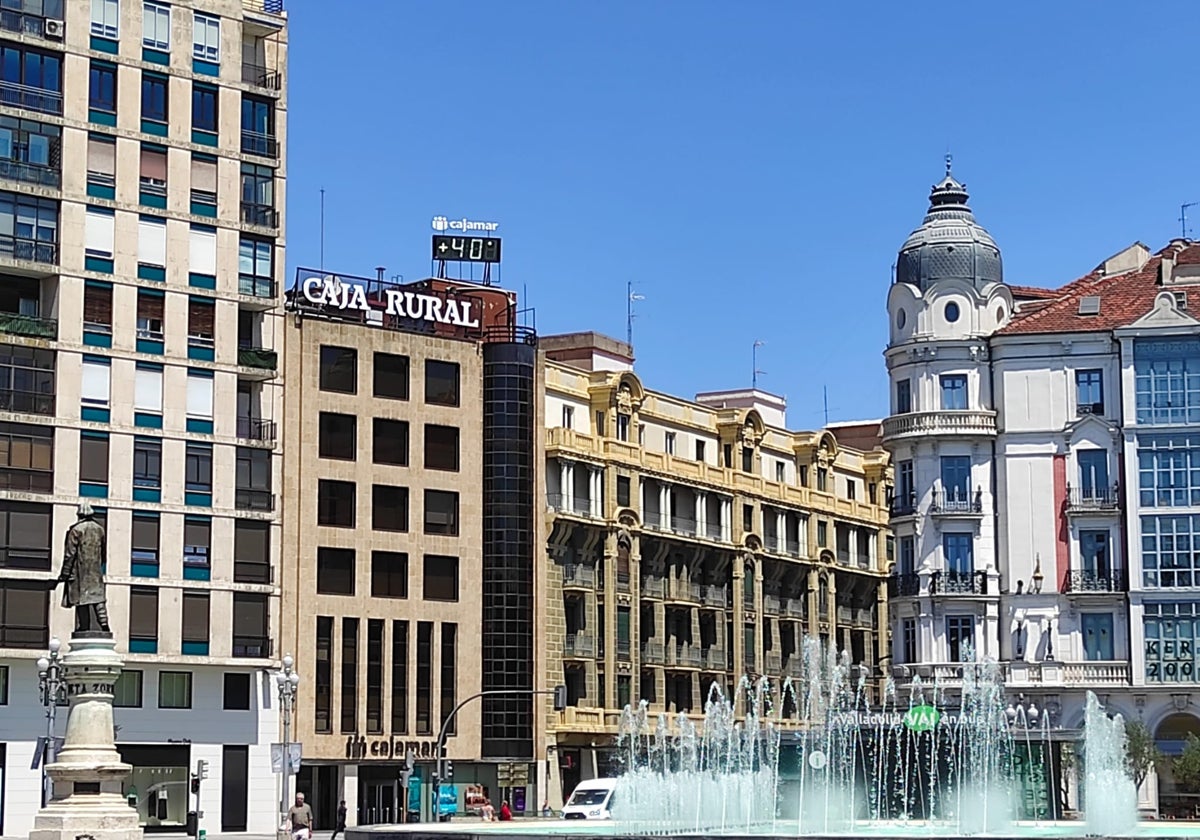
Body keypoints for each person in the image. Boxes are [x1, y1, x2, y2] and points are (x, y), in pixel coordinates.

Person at [58, 502, 110, 633]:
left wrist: (64, 574)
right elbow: (103, 552)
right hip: (95, 570)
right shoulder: (100, 529)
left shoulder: (76, 530)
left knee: (81, 599)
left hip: (79, 571)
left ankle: (84, 627)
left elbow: (69, 555)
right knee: (98, 598)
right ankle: (104, 625)